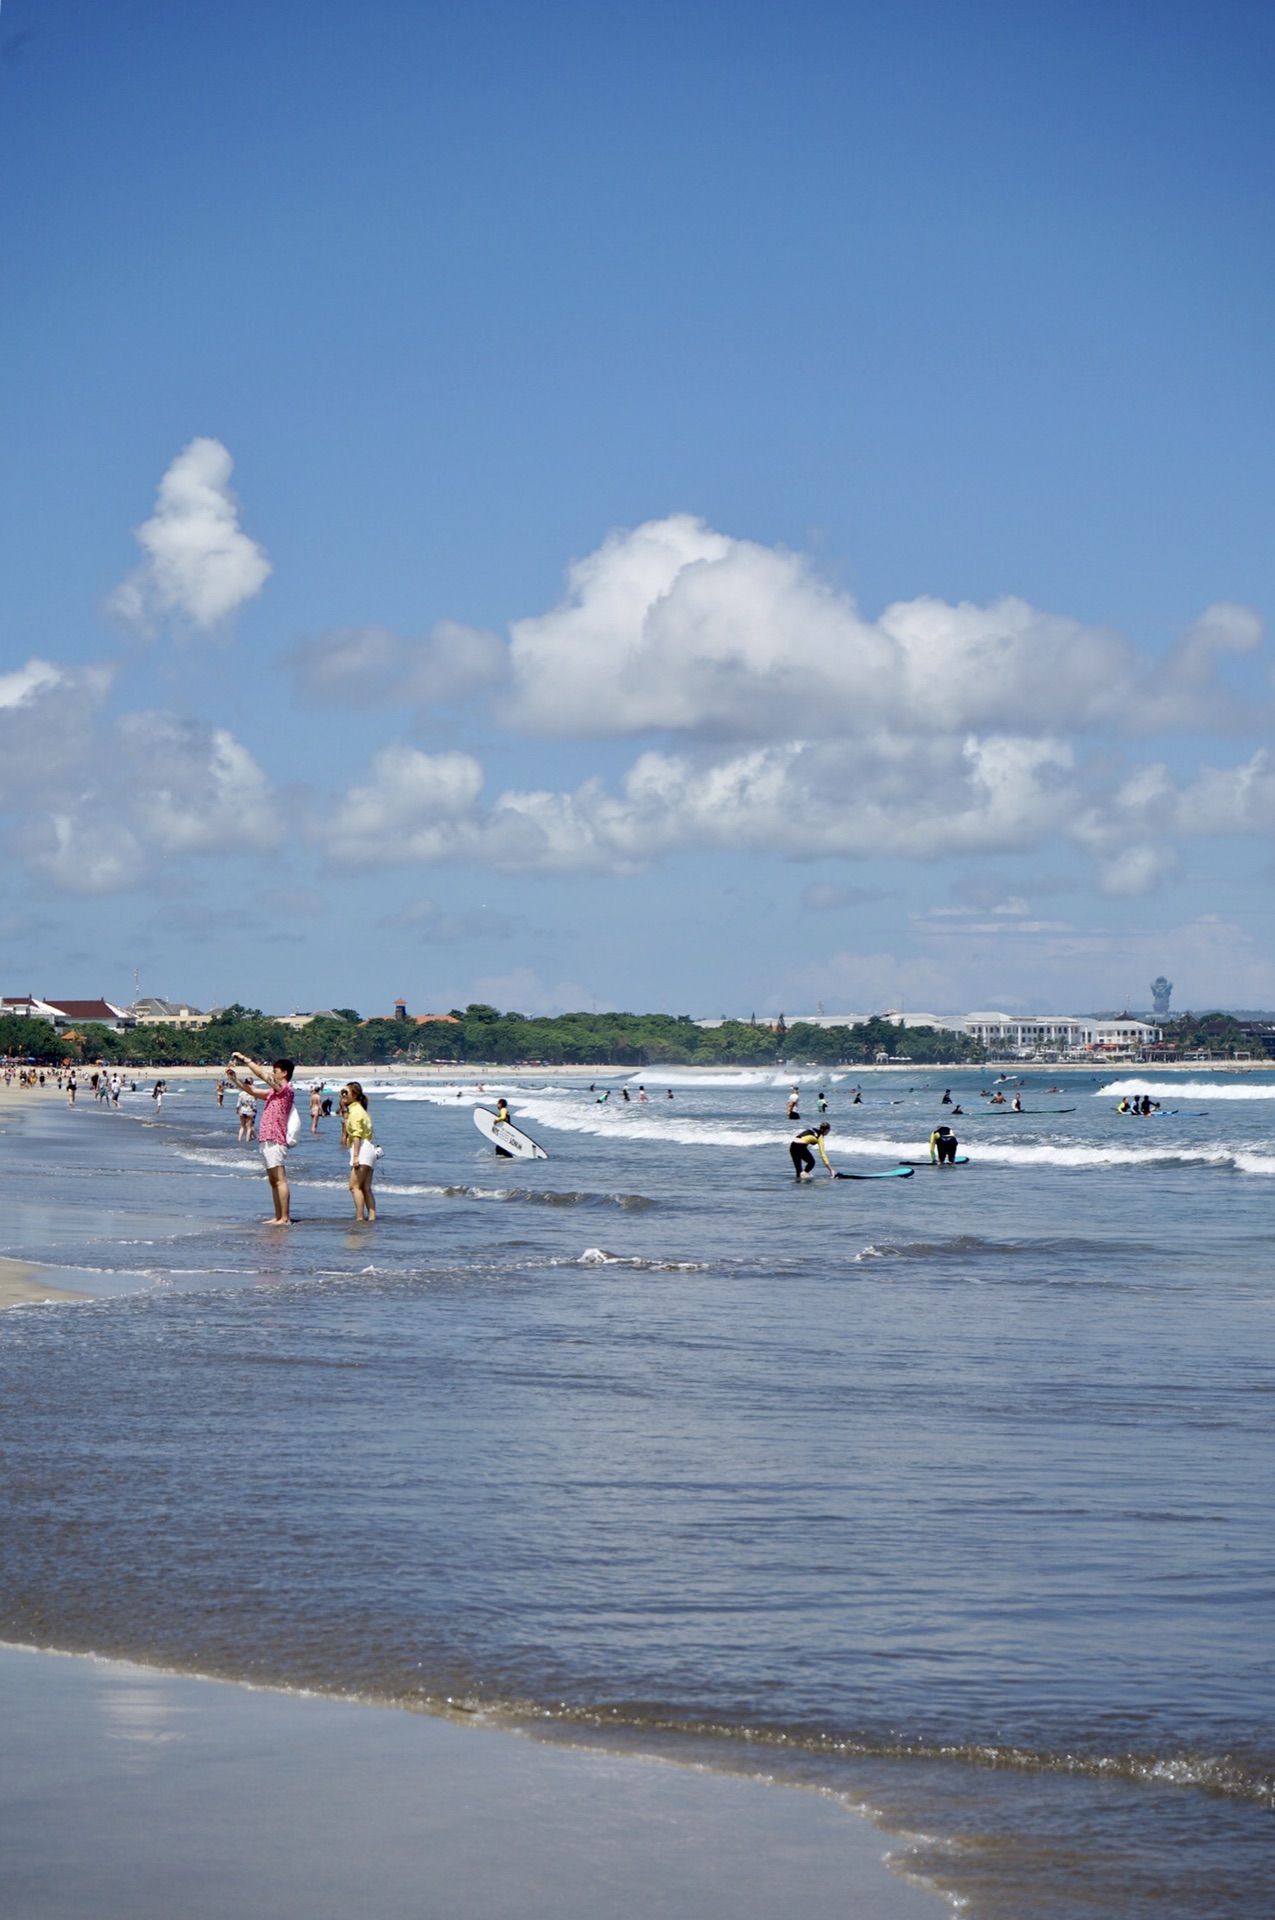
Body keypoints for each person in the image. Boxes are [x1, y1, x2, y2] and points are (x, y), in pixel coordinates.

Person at [226, 1052, 295, 1225]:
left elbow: (261, 1075)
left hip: (276, 1138)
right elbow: (253, 1091)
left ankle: (285, 1217)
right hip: (266, 1139)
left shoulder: (285, 1090)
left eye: (275, 1070)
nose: (273, 1073)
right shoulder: (273, 1092)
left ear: (284, 1073)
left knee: (280, 1178)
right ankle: (278, 1216)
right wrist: (235, 1080)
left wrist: (245, 1059)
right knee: (273, 1181)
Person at [342, 1080, 377, 1222]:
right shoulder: (362, 1111)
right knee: (366, 1187)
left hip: (362, 1149)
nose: (343, 1096)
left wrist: (355, 1156)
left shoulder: (356, 1111)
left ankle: (360, 1217)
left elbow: (356, 1135)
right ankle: (372, 1217)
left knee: (354, 1187)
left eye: (346, 1093)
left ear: (355, 1095)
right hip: (369, 1149)